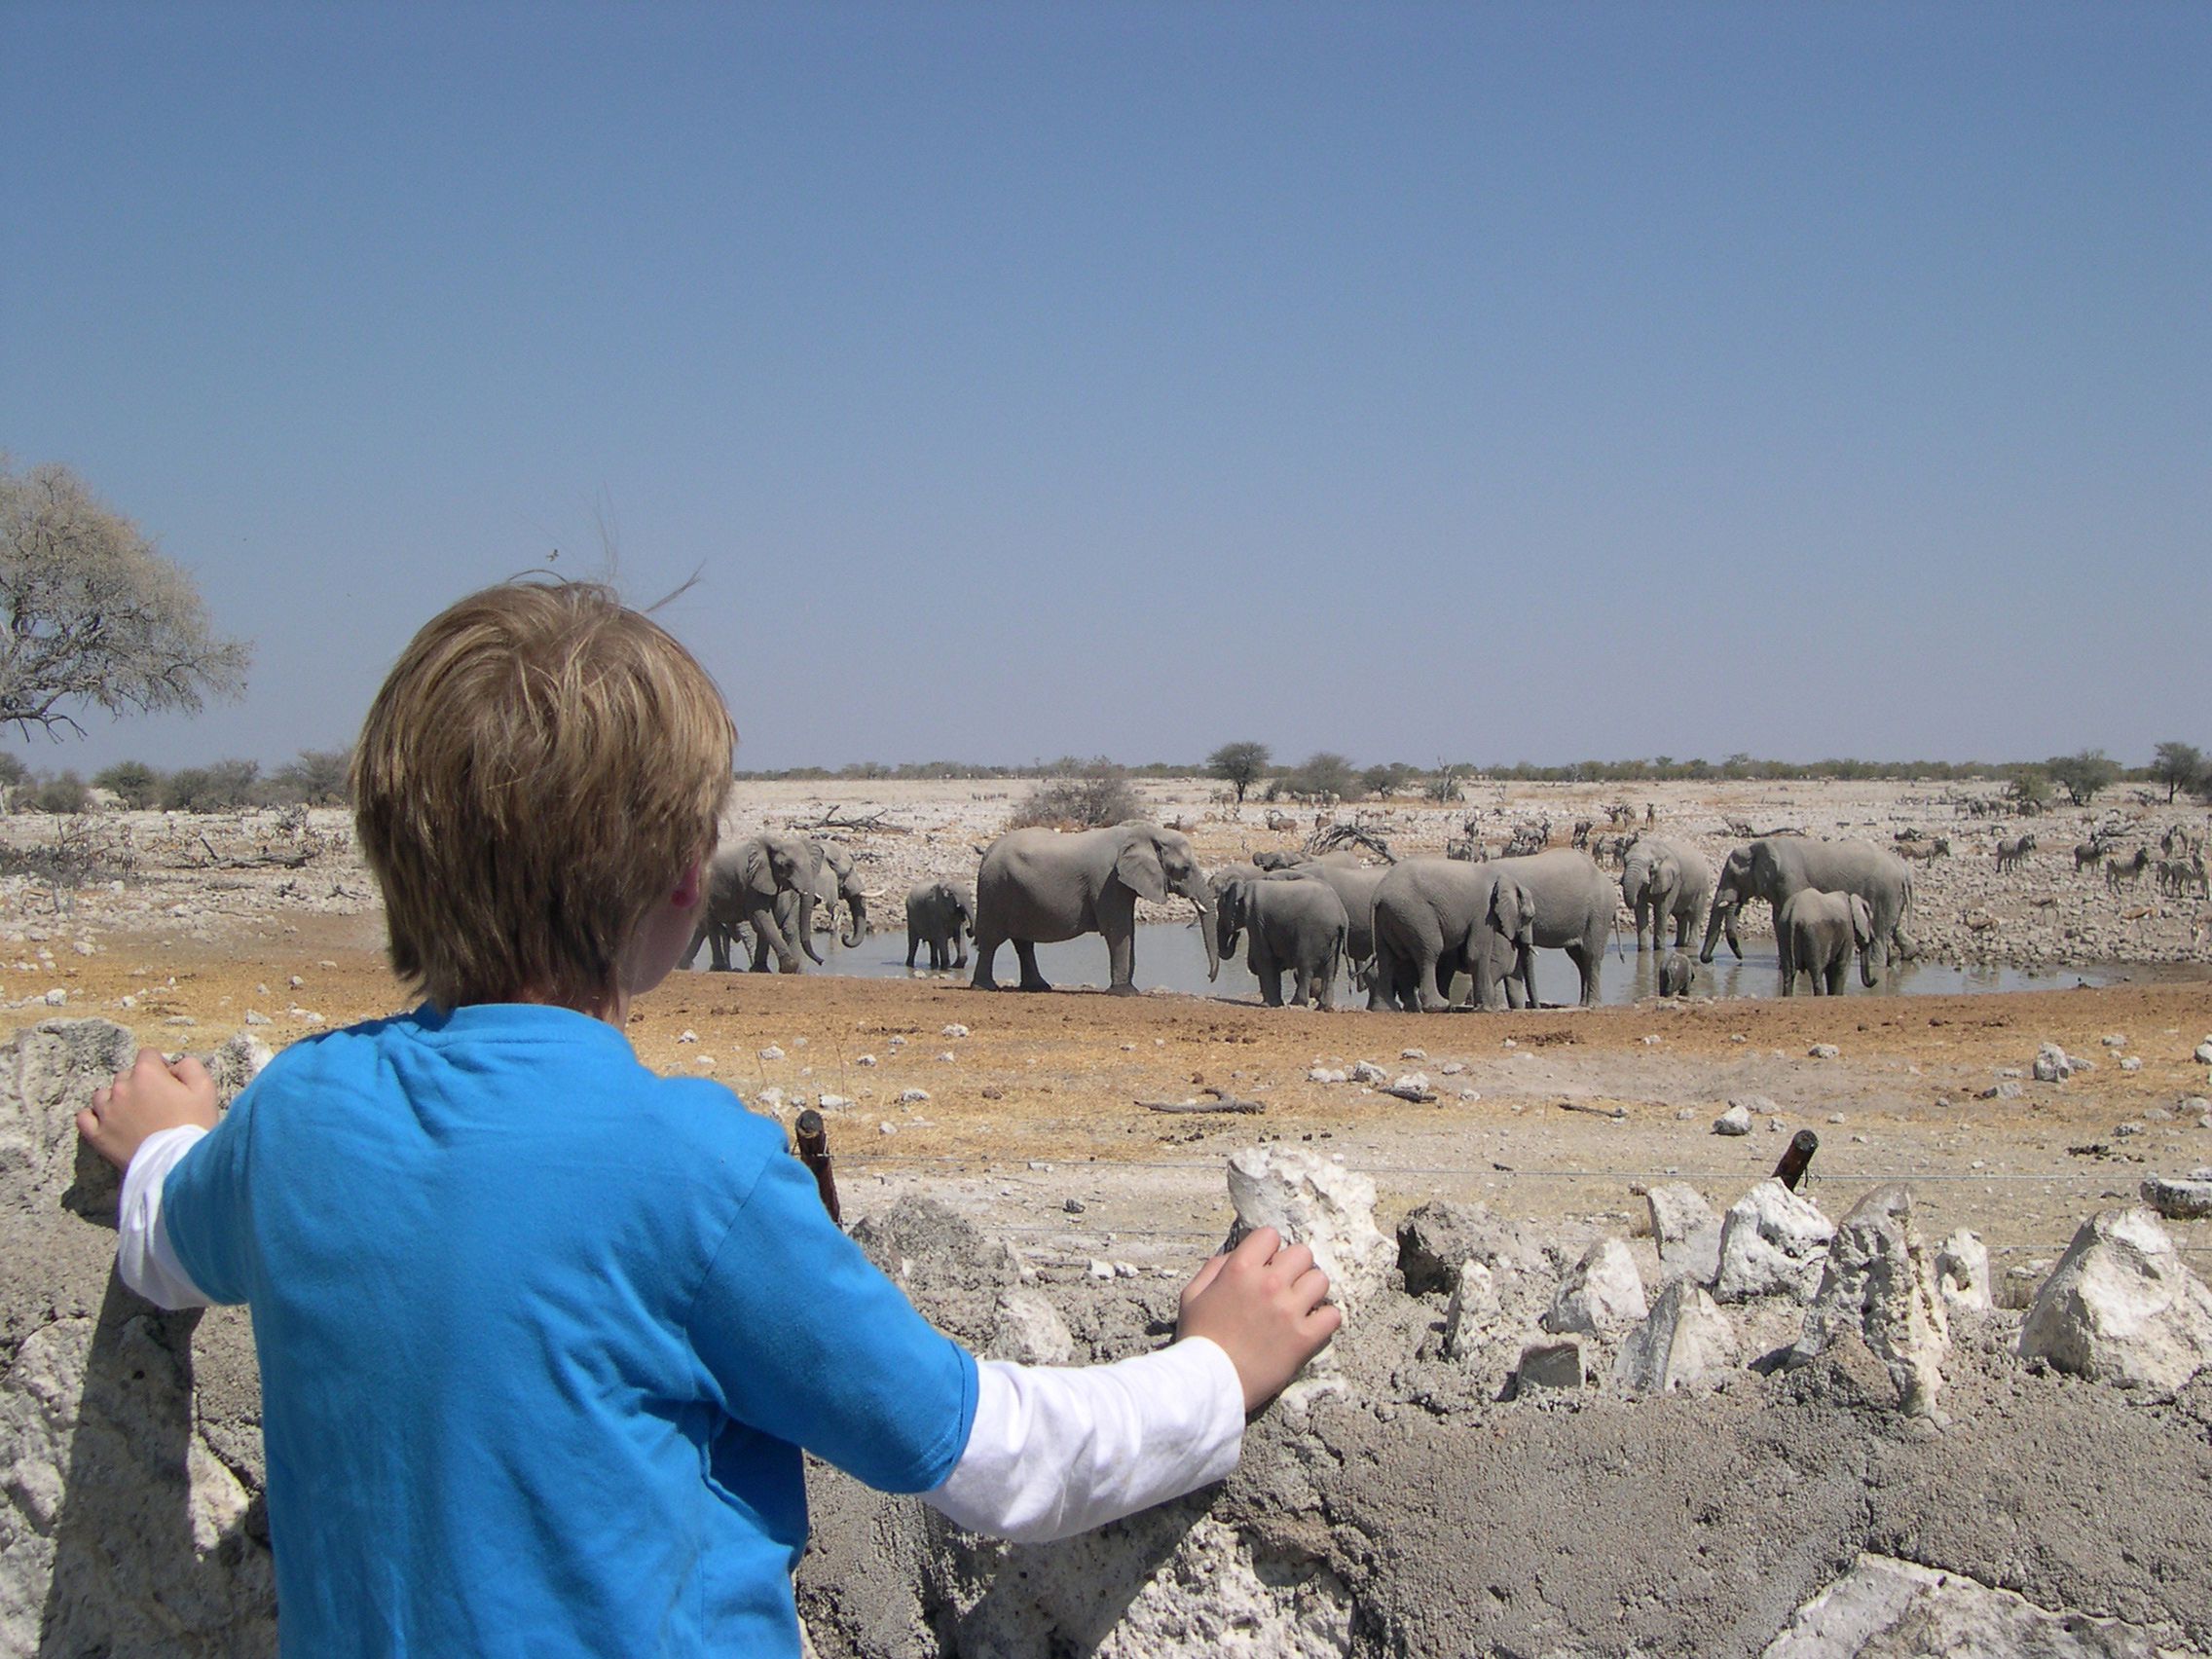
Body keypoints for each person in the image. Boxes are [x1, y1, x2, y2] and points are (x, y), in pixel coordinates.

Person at [75, 580, 1338, 1658]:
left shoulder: (294, 1115)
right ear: (692, 884)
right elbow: (1000, 1463)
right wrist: (1216, 1370)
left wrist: (166, 1139)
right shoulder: (699, 1172)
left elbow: (159, 1245)